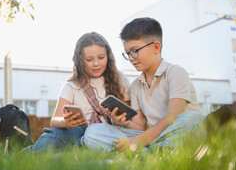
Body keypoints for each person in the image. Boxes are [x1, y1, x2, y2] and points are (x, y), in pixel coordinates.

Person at [82, 17, 205, 152]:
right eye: (127, 53)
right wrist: (123, 122)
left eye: (134, 51)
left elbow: (172, 117)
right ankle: (153, 152)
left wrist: (138, 141)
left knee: (195, 119)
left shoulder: (176, 73)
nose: (130, 58)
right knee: (93, 132)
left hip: (175, 131)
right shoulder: (135, 86)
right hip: (149, 137)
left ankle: (144, 151)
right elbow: (140, 127)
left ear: (155, 47)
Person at [25, 32, 137, 152]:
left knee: (69, 144)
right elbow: (54, 120)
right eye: (89, 59)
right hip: (79, 133)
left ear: (108, 57)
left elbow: (131, 117)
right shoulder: (72, 85)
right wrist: (66, 122)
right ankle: (28, 154)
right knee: (56, 135)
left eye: (101, 58)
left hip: (108, 134)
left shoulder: (119, 78)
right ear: (80, 61)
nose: (96, 63)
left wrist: (120, 120)